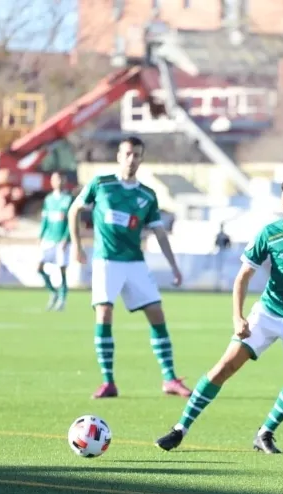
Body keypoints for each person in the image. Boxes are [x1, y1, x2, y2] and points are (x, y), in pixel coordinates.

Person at [155, 175, 283, 454]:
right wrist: (238, 317)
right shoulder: (270, 234)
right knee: (224, 368)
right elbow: (243, 276)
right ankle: (180, 428)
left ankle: (265, 433)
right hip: (269, 313)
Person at [68, 136, 191, 399]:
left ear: (141, 158)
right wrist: (76, 245)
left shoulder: (147, 195)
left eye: (137, 154)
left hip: (135, 261)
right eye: (127, 154)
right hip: (106, 261)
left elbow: (159, 233)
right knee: (104, 313)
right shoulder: (101, 184)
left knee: (157, 314)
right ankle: (108, 382)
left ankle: (169, 378)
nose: (131, 159)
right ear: (119, 156)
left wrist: (174, 267)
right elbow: (75, 210)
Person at [37, 173, 74, 311]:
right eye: (54, 179)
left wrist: (66, 238)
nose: (57, 182)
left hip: (61, 241)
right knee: (38, 267)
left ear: (64, 181)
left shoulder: (68, 199)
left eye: (59, 179)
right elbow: (45, 220)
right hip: (48, 239)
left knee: (62, 270)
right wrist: (40, 235)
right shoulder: (48, 199)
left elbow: (72, 221)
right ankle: (53, 292)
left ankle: (63, 299)